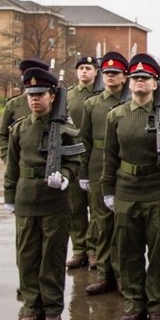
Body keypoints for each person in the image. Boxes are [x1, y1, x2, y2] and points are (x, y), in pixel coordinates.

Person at [101, 53, 160, 320]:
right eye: (135, 78)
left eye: (145, 78)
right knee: (128, 252)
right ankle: (134, 304)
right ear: (129, 82)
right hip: (126, 191)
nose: (139, 83)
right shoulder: (116, 116)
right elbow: (109, 156)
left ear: (155, 84)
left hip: (158, 191)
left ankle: (157, 305)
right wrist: (107, 190)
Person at [4, 67, 79, 320]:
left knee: (53, 256)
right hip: (26, 199)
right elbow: (12, 166)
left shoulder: (66, 129)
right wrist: (9, 196)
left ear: (52, 96)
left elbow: (75, 160)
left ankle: (52, 308)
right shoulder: (19, 130)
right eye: (31, 94)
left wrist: (67, 176)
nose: (35, 99)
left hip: (55, 202)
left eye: (41, 94)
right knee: (26, 256)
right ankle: (30, 305)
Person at [79, 52, 128, 295]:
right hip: (98, 166)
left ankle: (120, 275)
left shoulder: (132, 100)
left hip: (124, 166)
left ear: (124, 76)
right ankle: (103, 274)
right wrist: (83, 172)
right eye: (107, 73)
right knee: (101, 223)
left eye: (115, 73)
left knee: (122, 224)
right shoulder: (92, 104)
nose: (110, 77)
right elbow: (85, 140)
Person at [65, 55, 98, 269]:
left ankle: (94, 249)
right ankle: (79, 249)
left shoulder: (100, 95)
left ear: (96, 72)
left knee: (96, 207)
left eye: (89, 68)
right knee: (75, 206)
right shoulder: (67, 96)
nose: (84, 72)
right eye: (81, 68)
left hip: (94, 156)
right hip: (73, 156)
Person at [0, 58, 50, 162]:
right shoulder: (13, 104)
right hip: (21, 164)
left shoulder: (54, 102)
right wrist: (8, 159)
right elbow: (3, 135)